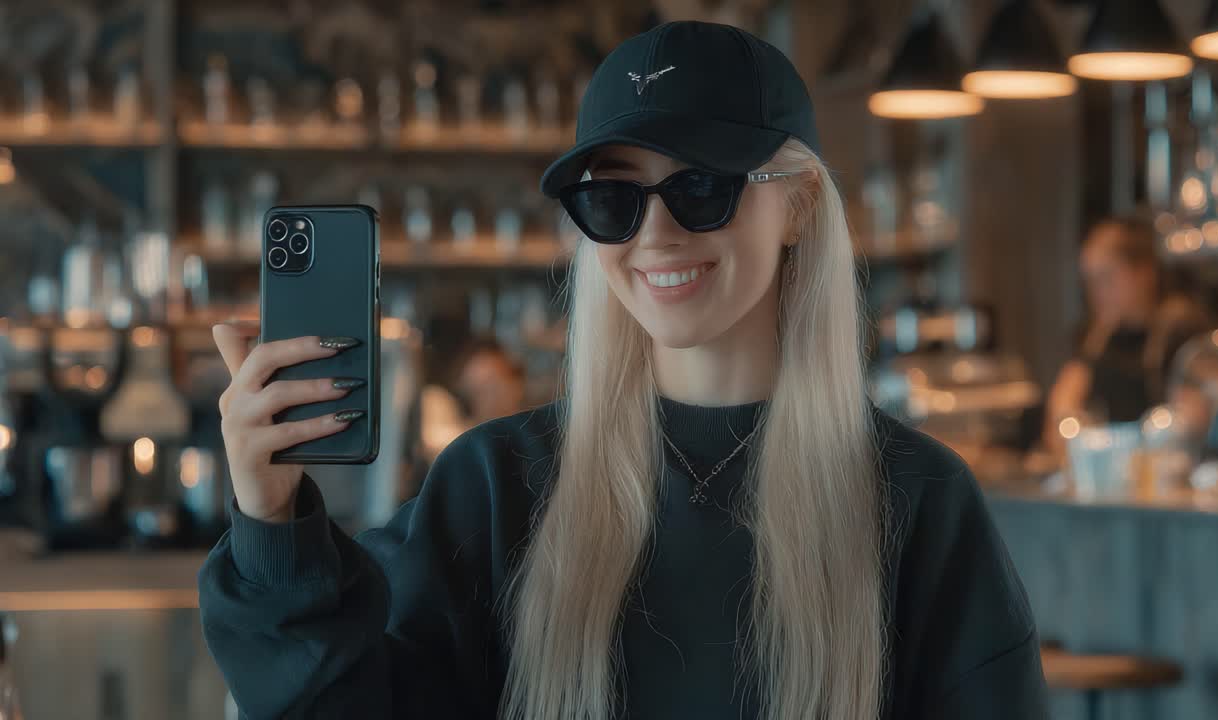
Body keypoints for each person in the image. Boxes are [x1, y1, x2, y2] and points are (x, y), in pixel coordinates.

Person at [200, 21, 1047, 720]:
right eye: (614, 197)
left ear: (796, 204)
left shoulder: (920, 502)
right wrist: (271, 526)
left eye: (701, 187)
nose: (656, 234)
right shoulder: (495, 489)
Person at [1043, 217, 1210, 454]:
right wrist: (1067, 423)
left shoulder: (1182, 330)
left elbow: (1194, 419)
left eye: (1107, 278)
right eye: (1090, 281)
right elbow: (1062, 405)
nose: (1097, 292)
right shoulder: (1094, 337)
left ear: (1145, 272)